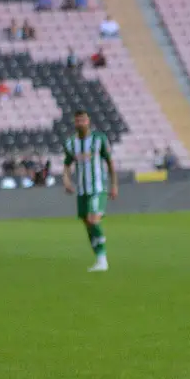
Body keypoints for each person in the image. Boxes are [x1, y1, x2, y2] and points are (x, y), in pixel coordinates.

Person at [62, 110, 118, 272]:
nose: (80, 123)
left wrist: (114, 185)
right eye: (77, 120)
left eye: (83, 120)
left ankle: (102, 256)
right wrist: (66, 181)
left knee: (93, 220)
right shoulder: (71, 143)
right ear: (75, 123)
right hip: (82, 190)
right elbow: (67, 164)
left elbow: (110, 163)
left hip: (98, 188)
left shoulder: (99, 139)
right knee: (87, 223)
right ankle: (99, 259)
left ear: (88, 121)